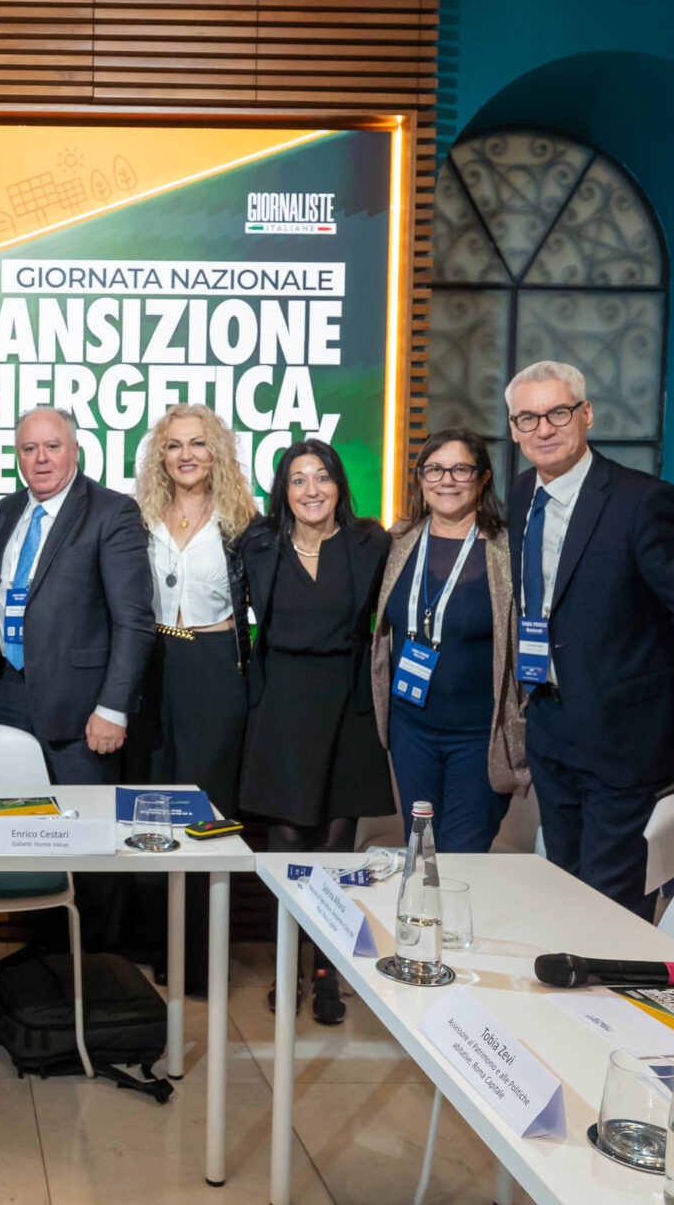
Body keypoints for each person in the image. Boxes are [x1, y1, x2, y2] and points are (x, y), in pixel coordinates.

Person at [505, 361, 674, 918]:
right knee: (565, 895)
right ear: (514, 430)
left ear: (586, 414)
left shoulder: (646, 503)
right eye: (527, 418)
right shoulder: (521, 496)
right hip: (551, 729)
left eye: (558, 412)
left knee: (612, 913)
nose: (544, 428)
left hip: (628, 742)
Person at [0, 406, 152, 950]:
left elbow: (133, 620)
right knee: (29, 838)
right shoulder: (7, 509)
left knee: (90, 844)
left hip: (83, 710)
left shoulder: (112, 511)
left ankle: (99, 967)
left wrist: (113, 707)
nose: (41, 459)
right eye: (29, 449)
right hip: (8, 697)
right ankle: (47, 960)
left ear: (75, 450)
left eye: (53, 446)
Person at [237, 438, 392, 1024]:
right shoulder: (257, 544)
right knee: (285, 845)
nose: (311, 489)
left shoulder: (371, 542)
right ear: (284, 490)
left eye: (321, 476)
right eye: (298, 479)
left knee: (334, 847)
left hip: (346, 705)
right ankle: (286, 965)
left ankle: (328, 970)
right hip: (280, 704)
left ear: (339, 485)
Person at [124, 403, 259, 994]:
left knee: (206, 812)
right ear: (161, 454)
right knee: (151, 806)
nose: (186, 455)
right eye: (174, 444)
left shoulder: (243, 523)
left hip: (214, 668)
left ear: (216, 452)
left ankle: (201, 956)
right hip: (150, 664)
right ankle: (157, 943)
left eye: (198, 443)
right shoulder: (137, 518)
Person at [369, 428, 528, 853]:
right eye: (435, 469)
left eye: (460, 469)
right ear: (420, 479)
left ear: (483, 478)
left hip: (478, 737)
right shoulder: (399, 542)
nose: (447, 480)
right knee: (422, 851)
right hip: (410, 730)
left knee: (462, 857)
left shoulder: (508, 550)